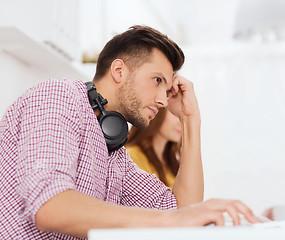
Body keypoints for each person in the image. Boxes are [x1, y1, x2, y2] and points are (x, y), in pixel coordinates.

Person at [0, 25, 258, 239]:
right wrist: (174, 220)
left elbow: (180, 211)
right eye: (157, 81)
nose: (163, 100)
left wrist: (190, 121)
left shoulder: (115, 156)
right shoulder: (58, 96)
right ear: (119, 71)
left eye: (167, 90)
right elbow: (50, 206)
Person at [126, 108, 180, 188]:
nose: (181, 122)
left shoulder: (171, 162)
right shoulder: (131, 156)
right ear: (156, 112)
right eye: (175, 114)